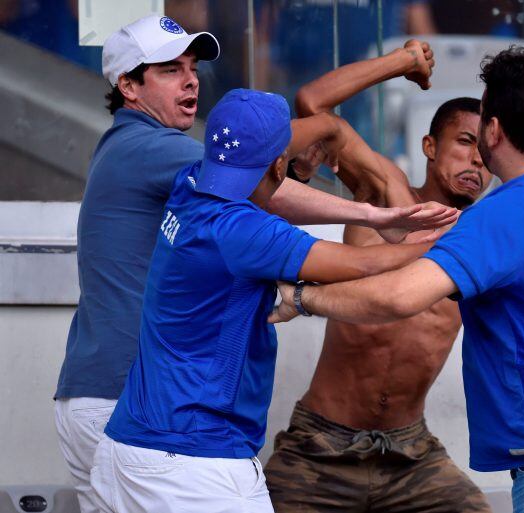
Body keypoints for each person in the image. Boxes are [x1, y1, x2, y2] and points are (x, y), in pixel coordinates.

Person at [53, 15, 453, 513]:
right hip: (151, 412)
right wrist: (336, 137)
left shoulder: (177, 177)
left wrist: (370, 210)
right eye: (169, 70)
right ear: (128, 86)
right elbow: (270, 190)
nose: (191, 78)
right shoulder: (156, 153)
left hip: (119, 411)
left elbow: (254, 176)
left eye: (192, 66)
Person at [269, 46, 524, 513]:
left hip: (412, 454)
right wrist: (403, 62)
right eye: (461, 143)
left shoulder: (497, 224)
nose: (475, 163)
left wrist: (301, 298)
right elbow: (314, 107)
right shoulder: (386, 196)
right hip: (321, 446)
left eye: (479, 147)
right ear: (429, 146)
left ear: (497, 135)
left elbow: (408, 296)